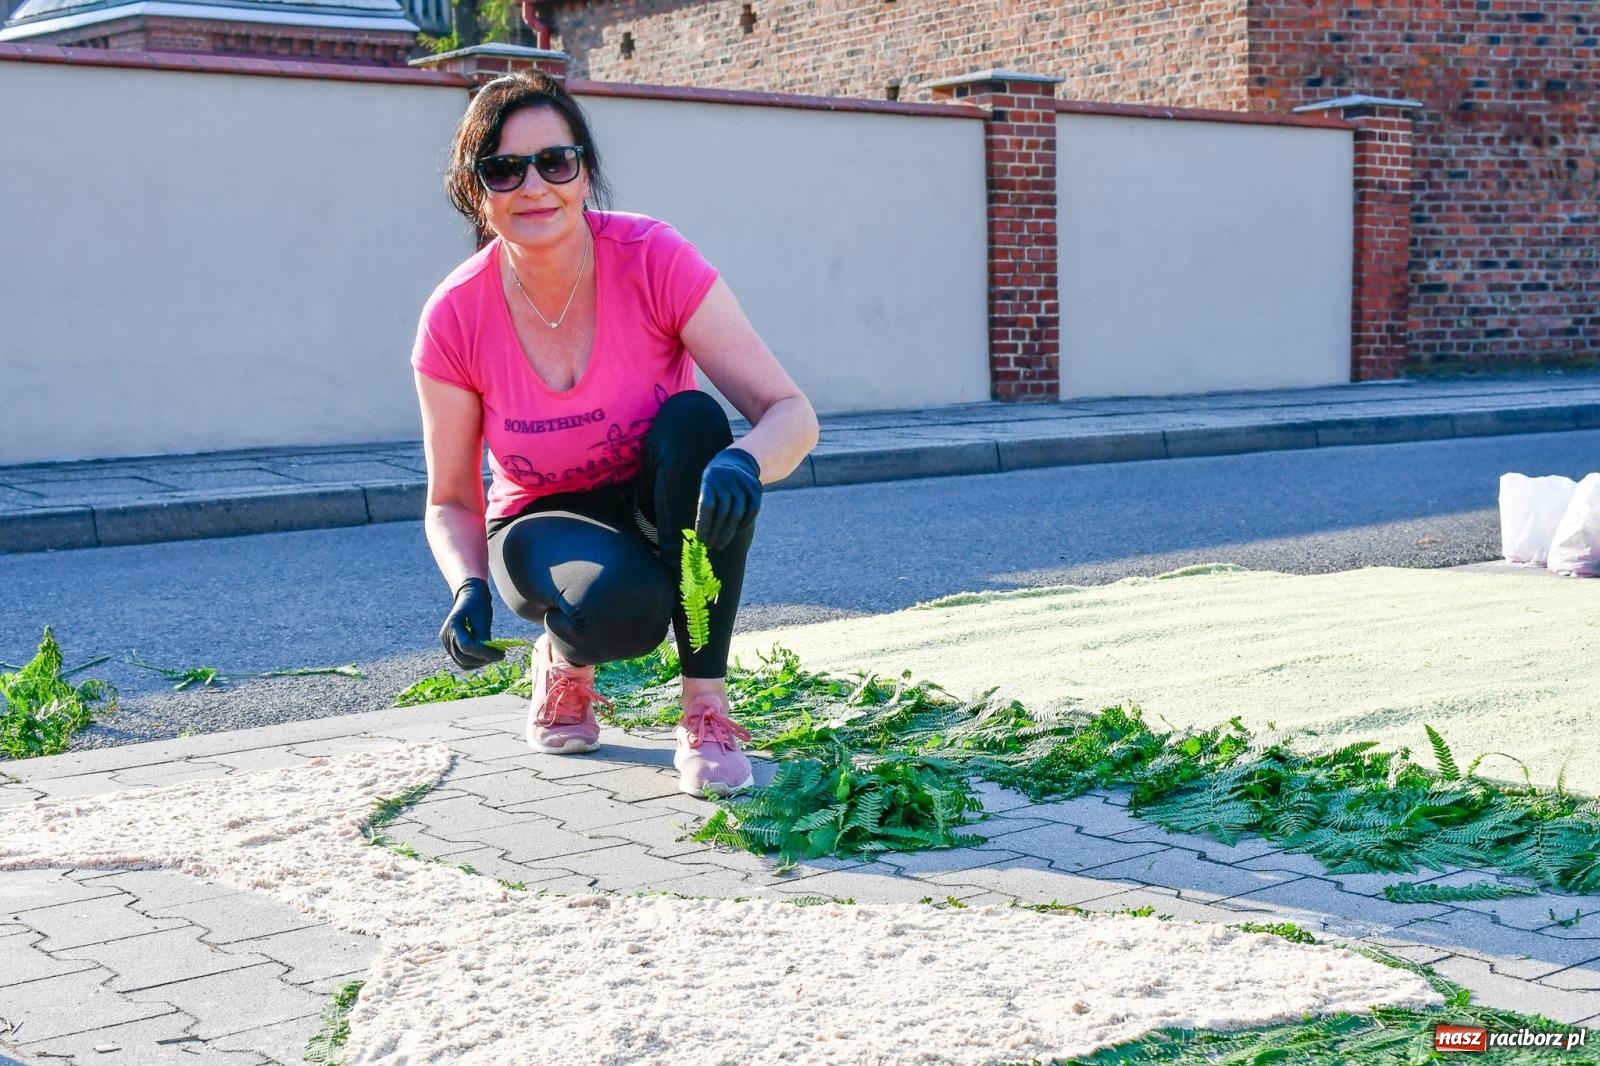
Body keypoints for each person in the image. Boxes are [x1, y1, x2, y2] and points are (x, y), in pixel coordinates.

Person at [412, 71, 818, 798]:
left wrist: (746, 462)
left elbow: (790, 412)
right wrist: (467, 585)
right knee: (627, 610)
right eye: (504, 169)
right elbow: (451, 498)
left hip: (654, 500)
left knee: (698, 423)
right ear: (476, 190)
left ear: (585, 170)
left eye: (555, 162)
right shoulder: (454, 315)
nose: (534, 186)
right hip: (540, 521)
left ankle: (705, 711)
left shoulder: (652, 257)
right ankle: (564, 662)